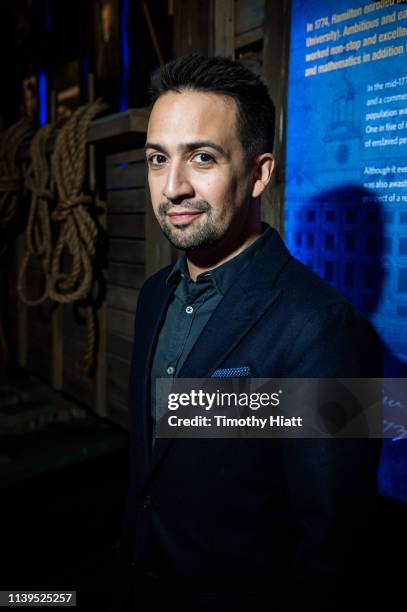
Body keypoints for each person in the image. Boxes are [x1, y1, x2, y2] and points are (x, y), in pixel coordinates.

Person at [115, 54, 383, 611]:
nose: (173, 187)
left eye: (202, 158)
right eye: (157, 159)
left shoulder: (330, 330)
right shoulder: (152, 297)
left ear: (260, 172)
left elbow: (337, 544)